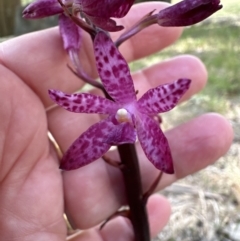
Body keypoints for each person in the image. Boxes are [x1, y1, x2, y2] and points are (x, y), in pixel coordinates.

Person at [0, 2, 233, 241]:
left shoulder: (145, 122)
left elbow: (161, 157)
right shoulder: (106, 127)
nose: (121, 121)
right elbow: (78, 152)